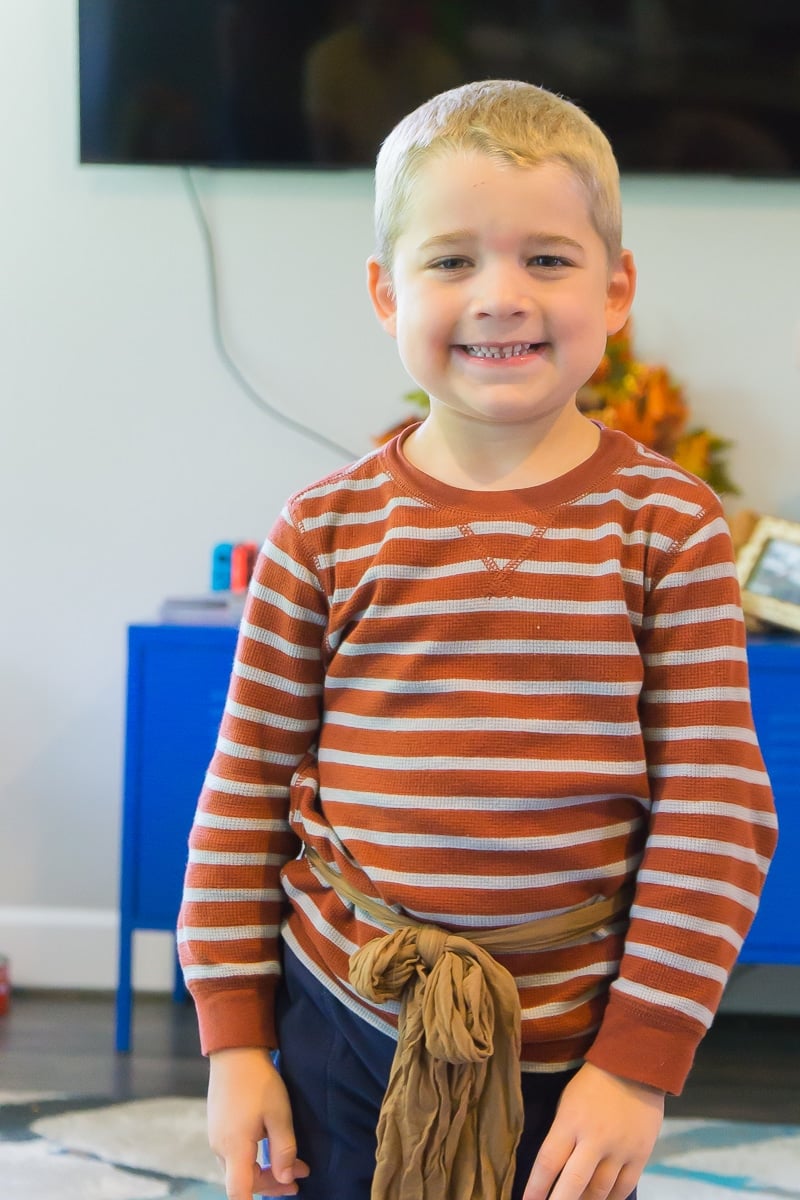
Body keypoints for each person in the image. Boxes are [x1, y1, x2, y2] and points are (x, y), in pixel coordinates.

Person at [177, 79, 777, 1200]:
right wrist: (233, 1044)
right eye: (450, 260)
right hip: (344, 1014)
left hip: (570, 1045)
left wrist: (637, 1067)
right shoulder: (322, 528)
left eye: (545, 259)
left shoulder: (668, 525)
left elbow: (713, 806)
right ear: (383, 292)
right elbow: (246, 784)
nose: (499, 296)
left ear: (616, 288)